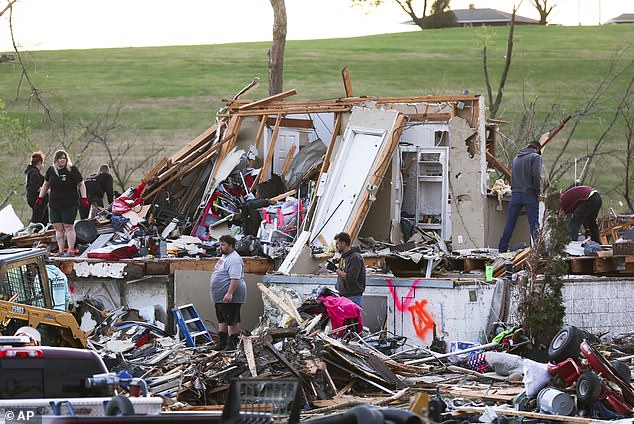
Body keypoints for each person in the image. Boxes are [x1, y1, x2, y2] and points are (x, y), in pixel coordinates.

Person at [36, 150, 88, 256]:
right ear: (56, 160)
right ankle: (60, 251)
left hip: (70, 203)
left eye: (64, 158)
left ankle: (70, 250)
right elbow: (46, 184)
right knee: (58, 228)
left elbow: (81, 184)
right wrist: (40, 197)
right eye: (60, 158)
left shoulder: (72, 170)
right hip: (55, 203)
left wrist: (84, 198)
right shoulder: (51, 171)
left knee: (68, 227)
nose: (62, 160)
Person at [498, 140, 543, 253]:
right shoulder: (535, 157)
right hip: (529, 194)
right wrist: (538, 193)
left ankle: (502, 249)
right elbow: (536, 176)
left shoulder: (516, 158)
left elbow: (512, 177)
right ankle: (540, 251)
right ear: (537, 148)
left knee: (510, 222)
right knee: (534, 223)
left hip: (515, 194)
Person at [209, 234, 246, 351]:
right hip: (220, 297)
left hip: (231, 296)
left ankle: (232, 345)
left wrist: (230, 293)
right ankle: (222, 343)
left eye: (223, 244)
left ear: (231, 246)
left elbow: (235, 278)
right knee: (222, 319)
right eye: (220, 244)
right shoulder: (224, 257)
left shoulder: (234, 259)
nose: (220, 247)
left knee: (231, 320)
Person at [327, 232, 366, 308]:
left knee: (352, 320)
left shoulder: (354, 258)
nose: (336, 246)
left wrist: (335, 269)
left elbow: (350, 278)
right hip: (343, 296)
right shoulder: (344, 257)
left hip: (352, 297)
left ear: (343, 243)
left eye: (337, 243)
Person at [24, 151, 49, 225]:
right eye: (42, 163)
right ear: (39, 162)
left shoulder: (31, 172)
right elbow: (34, 187)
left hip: (35, 199)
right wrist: (45, 191)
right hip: (36, 200)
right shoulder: (34, 173)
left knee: (44, 216)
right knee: (37, 219)